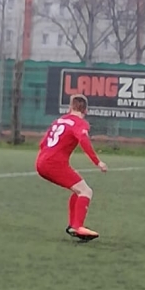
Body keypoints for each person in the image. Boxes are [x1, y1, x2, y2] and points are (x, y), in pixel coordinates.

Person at [36, 94, 107, 241]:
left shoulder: (59, 121)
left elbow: (43, 143)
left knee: (78, 189)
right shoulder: (80, 123)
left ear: (70, 107)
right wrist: (97, 162)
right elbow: (84, 140)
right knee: (86, 191)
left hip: (41, 161)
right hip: (54, 164)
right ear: (85, 110)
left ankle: (73, 225)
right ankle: (78, 226)